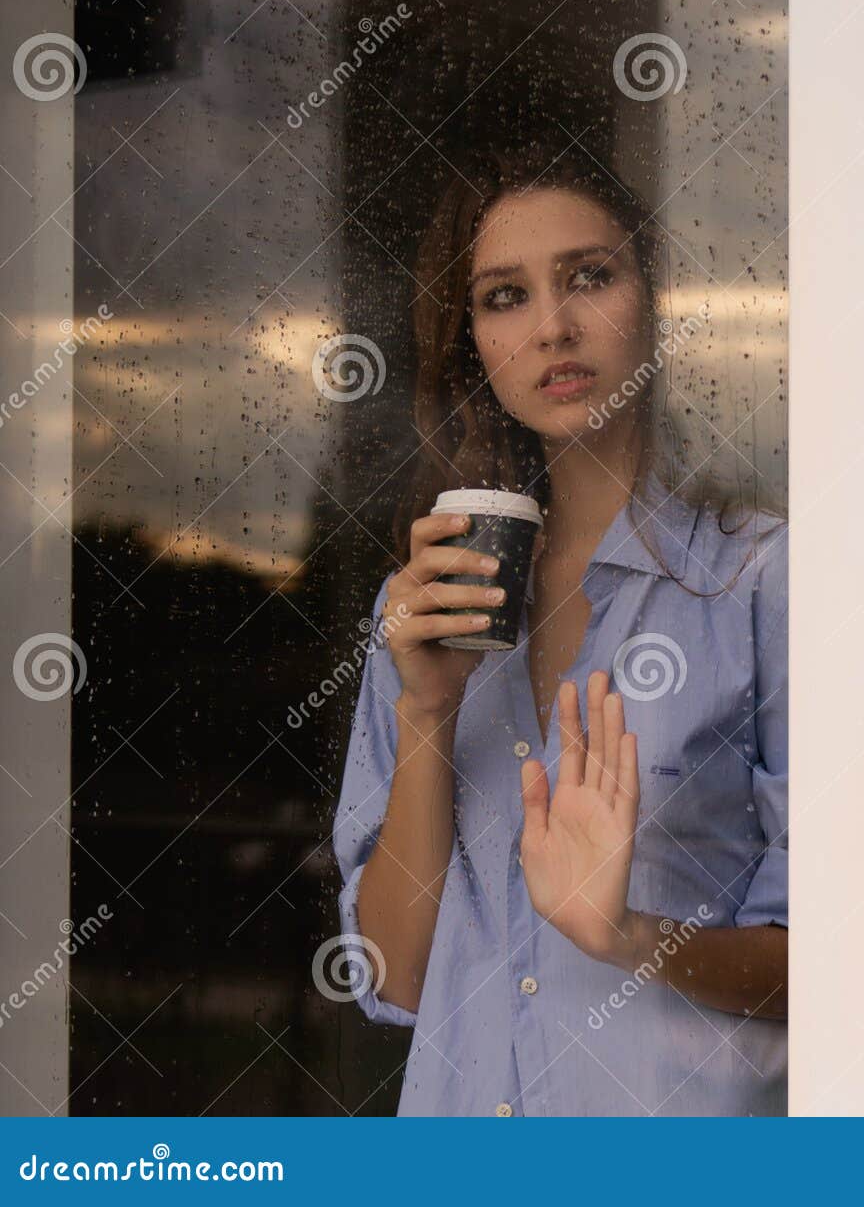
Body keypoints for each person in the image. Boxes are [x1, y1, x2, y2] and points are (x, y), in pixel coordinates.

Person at [332, 139, 788, 1116]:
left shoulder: (759, 578)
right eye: (504, 296)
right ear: (471, 343)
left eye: (589, 276)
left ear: (653, 304)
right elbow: (394, 976)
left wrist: (628, 935)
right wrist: (428, 711)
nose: (553, 326)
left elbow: (841, 969)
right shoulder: (427, 605)